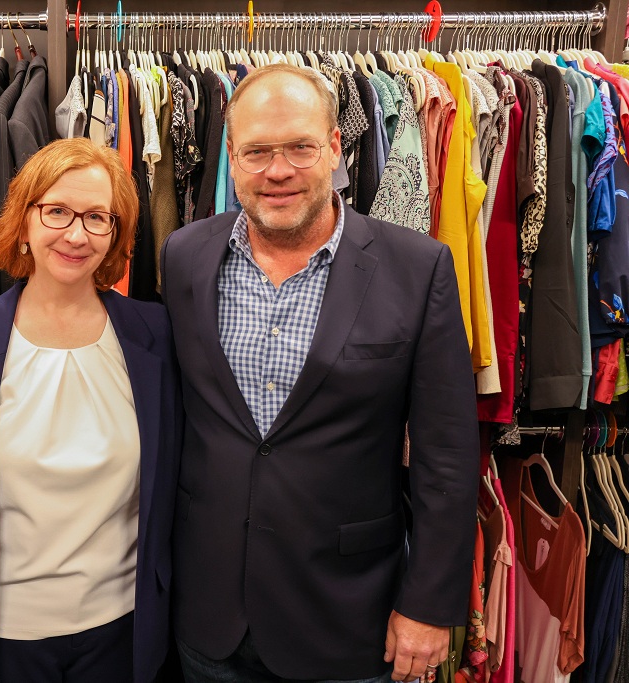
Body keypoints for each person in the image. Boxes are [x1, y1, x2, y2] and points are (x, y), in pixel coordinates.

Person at [160, 64, 479, 683]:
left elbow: (448, 456)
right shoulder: (184, 256)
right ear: (230, 155)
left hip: (349, 621)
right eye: (256, 152)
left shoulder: (419, 268)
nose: (277, 171)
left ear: (336, 146)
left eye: (300, 147)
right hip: (210, 617)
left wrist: (430, 606)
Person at [0, 137, 181, 683]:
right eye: (57, 212)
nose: (77, 234)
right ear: (24, 220)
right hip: (2, 637)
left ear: (117, 233)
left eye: (98, 217)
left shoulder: (156, 335)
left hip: (124, 631)